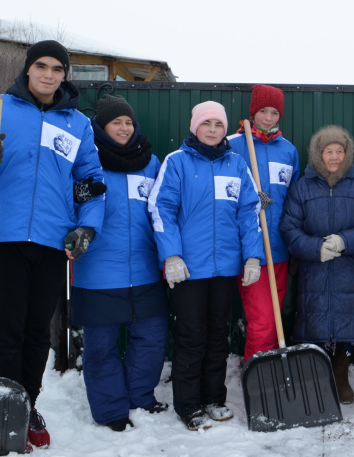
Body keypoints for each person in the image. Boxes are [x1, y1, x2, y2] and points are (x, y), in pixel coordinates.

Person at [0, 40, 104, 450]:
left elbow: (90, 182)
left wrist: (87, 227)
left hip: (53, 240)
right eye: (42, 66)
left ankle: (27, 403)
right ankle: (6, 402)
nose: (49, 75)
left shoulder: (77, 124)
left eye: (57, 69)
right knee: (7, 327)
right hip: (4, 235)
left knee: (38, 330)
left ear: (65, 75)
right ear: (28, 68)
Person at [149, 101, 264, 430]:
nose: (212, 130)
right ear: (194, 126)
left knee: (217, 336)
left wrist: (252, 256)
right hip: (188, 268)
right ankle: (187, 404)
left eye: (218, 124)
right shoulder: (177, 162)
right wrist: (171, 254)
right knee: (191, 335)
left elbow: (249, 212)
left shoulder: (237, 164)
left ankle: (213, 398)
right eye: (206, 123)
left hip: (225, 267)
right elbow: (161, 208)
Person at [71, 95, 168, 431]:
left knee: (152, 338)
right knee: (100, 346)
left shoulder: (150, 163)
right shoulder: (87, 160)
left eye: (128, 122)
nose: (124, 128)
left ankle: (140, 396)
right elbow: (66, 201)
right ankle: (111, 409)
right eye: (116, 122)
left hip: (144, 268)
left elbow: (166, 207)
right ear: (101, 127)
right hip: (97, 271)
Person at [280, 125, 354, 403]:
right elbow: (289, 228)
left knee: (346, 323)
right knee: (316, 320)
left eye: (339, 151)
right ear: (318, 154)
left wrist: (344, 240)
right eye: (328, 151)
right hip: (315, 268)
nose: (334, 157)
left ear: (347, 154)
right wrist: (315, 247)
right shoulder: (301, 188)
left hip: (352, 269)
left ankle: (340, 375)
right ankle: (317, 379)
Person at [227, 84, 300, 362]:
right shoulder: (233, 146)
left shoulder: (288, 151)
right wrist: (251, 198)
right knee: (262, 320)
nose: (268, 118)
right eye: (263, 111)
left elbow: (293, 197)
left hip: (278, 247)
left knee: (274, 316)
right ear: (253, 112)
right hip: (249, 249)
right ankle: (256, 374)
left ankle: (267, 370)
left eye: (274, 113)